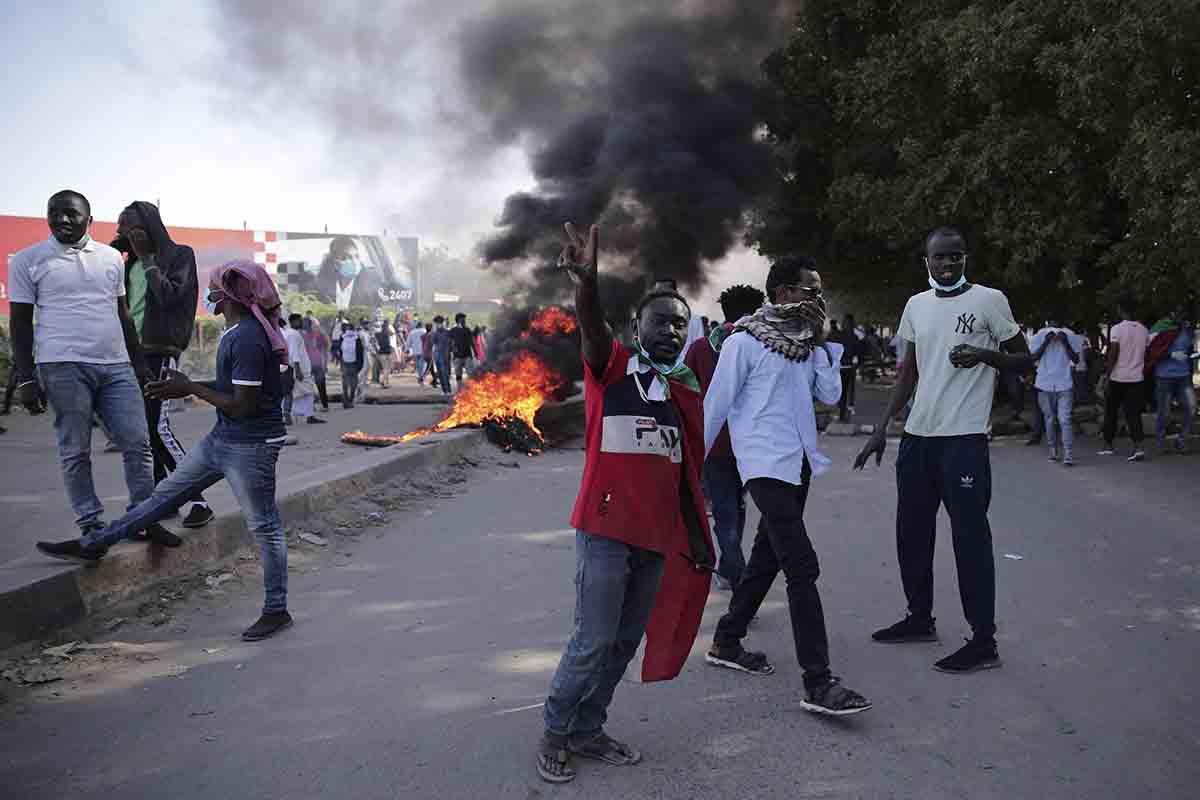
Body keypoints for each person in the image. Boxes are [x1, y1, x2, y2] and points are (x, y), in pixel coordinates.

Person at [537, 222, 714, 784]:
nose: (670, 331)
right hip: (607, 529)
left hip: (656, 540)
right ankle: (555, 731)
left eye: (680, 324)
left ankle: (589, 728)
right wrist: (585, 285)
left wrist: (699, 540)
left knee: (623, 642)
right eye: (660, 321)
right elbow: (590, 326)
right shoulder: (611, 370)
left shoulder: (683, 387)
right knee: (590, 642)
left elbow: (687, 473)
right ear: (637, 326)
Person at [37, 260, 293, 641]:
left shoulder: (247, 337)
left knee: (265, 527)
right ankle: (94, 543)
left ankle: (276, 610)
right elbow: (237, 388)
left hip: (250, 447)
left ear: (229, 296)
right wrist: (189, 385)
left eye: (213, 290)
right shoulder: (242, 333)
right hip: (224, 439)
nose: (209, 297)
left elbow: (243, 404)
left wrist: (190, 388)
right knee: (159, 499)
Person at [855, 226, 1032, 673]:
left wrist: (986, 356)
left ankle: (983, 641)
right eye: (939, 257)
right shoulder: (916, 306)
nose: (947, 264)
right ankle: (919, 618)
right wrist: (882, 429)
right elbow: (908, 373)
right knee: (911, 533)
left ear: (965, 257)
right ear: (927, 262)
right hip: (918, 438)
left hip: (964, 439)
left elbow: (1024, 359)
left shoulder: (990, 301)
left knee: (969, 538)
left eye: (955, 256)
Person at [702, 258, 872, 716]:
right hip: (761, 464)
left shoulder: (805, 344)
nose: (817, 300)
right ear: (780, 293)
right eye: (808, 291)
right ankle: (818, 681)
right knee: (802, 565)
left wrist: (820, 342)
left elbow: (832, 396)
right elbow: (714, 406)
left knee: (766, 557)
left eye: (820, 292)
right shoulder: (744, 342)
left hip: (797, 464)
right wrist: (691, 474)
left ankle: (726, 639)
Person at [10, 190, 177, 546]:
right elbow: (21, 323)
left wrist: (138, 366)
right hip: (61, 365)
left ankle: (142, 518)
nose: (62, 220)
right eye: (54, 213)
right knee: (76, 449)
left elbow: (123, 315)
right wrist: (25, 377)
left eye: (71, 214)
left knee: (138, 443)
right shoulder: (28, 260)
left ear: (90, 219)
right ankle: (91, 524)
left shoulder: (111, 258)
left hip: (116, 364)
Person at [112, 201, 214, 528]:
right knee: (143, 433)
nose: (128, 234)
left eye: (133, 227)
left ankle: (199, 500)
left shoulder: (179, 256)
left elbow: (171, 296)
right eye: (123, 229)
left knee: (158, 427)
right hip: (132, 355)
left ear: (150, 227)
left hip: (162, 351)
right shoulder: (127, 267)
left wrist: (147, 259)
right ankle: (162, 500)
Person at [684, 284, 764, 591]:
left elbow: (685, 388)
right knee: (735, 509)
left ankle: (732, 567)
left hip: (714, 445)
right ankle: (735, 571)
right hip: (749, 445)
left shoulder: (702, 348)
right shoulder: (762, 347)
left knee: (726, 510)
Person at [1099, 299, 1149, 461]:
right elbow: (1146, 353)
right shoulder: (1143, 330)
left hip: (1118, 377)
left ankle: (1108, 445)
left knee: (1111, 412)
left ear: (1121, 310)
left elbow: (1113, 353)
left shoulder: (1117, 329)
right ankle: (1138, 447)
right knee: (1133, 413)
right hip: (1136, 378)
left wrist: (1107, 374)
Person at [1030, 319, 1082, 465]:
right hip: (1044, 383)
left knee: (1064, 419)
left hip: (1064, 383)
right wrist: (1046, 342)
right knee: (1050, 418)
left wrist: (1065, 342)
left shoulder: (1069, 335)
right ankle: (1053, 450)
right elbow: (1033, 357)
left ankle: (1068, 454)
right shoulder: (1039, 335)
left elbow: (1076, 359)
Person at [1147, 307, 1196, 454]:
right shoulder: (1161, 327)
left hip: (1184, 375)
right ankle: (1161, 442)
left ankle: (1181, 440)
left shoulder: (1187, 330)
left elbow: (1189, 349)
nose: (1181, 317)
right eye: (1178, 313)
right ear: (1171, 313)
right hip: (1164, 376)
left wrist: (1191, 356)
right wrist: (1171, 355)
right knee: (1165, 411)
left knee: (1191, 407)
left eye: (1184, 314)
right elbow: (1151, 350)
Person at [314, 236, 383, 311]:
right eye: (346, 257)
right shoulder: (321, 285)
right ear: (335, 263)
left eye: (356, 256)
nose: (354, 261)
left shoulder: (371, 284)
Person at [286, 313, 323, 424]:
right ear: (293, 322)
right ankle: (306, 415)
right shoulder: (293, 334)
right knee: (306, 392)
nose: (302, 323)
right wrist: (297, 370)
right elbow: (294, 353)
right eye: (300, 321)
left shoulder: (295, 333)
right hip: (300, 369)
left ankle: (305, 415)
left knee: (303, 392)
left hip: (303, 368)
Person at [829, 314, 861, 422]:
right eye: (844, 322)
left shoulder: (851, 337)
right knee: (842, 392)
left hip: (848, 368)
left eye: (846, 323)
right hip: (842, 367)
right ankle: (842, 412)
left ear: (851, 324)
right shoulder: (841, 335)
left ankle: (844, 412)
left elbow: (856, 353)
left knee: (846, 391)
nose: (844, 324)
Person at [302, 313, 331, 411]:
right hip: (313, 363)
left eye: (306, 324)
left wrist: (325, 362)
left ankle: (321, 405)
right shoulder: (303, 335)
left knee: (316, 385)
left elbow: (325, 347)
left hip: (314, 364)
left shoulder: (315, 334)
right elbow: (325, 347)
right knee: (315, 386)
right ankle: (320, 405)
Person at [335, 321, 365, 409]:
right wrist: (360, 365)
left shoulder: (342, 337)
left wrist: (340, 360)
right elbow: (360, 352)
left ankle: (346, 398)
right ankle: (350, 399)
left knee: (345, 382)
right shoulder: (357, 338)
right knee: (353, 382)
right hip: (354, 363)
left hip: (345, 362)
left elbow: (340, 350)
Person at [449, 313, 475, 392]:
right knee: (458, 374)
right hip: (457, 356)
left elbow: (471, 342)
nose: (464, 320)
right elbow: (450, 342)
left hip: (467, 355)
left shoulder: (467, 330)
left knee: (470, 373)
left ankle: (471, 389)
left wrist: (475, 353)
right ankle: (459, 389)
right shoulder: (453, 330)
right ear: (458, 320)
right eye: (462, 319)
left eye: (464, 319)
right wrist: (452, 350)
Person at [430, 315, 452, 397]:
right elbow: (433, 342)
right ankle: (444, 390)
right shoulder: (435, 333)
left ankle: (448, 389)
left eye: (440, 323)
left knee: (445, 373)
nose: (438, 324)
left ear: (442, 323)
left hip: (445, 355)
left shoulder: (447, 332)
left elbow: (451, 343)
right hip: (438, 356)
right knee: (441, 373)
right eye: (437, 323)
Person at [375, 321, 395, 388]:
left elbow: (374, 338)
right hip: (387, 352)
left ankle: (386, 383)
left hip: (381, 352)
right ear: (386, 327)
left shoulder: (378, 334)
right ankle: (383, 381)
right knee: (388, 368)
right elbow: (392, 333)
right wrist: (387, 327)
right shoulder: (387, 333)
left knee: (385, 368)